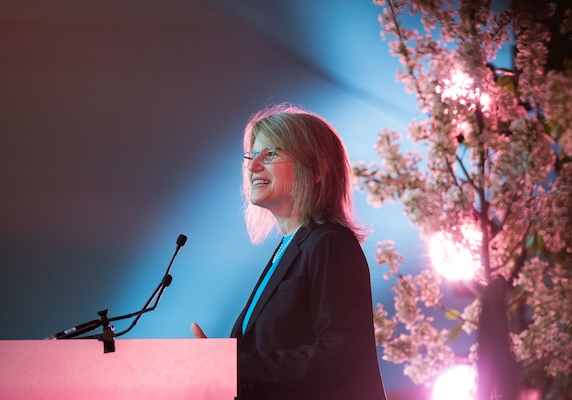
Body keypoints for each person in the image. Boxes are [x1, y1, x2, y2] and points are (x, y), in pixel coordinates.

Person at [192, 104, 387, 400]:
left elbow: (339, 357)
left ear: (318, 169)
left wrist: (230, 364)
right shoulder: (287, 248)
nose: (253, 166)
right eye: (251, 156)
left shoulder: (329, 243)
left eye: (269, 155)